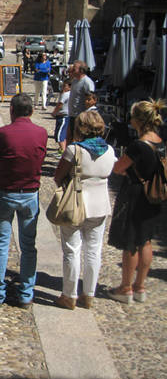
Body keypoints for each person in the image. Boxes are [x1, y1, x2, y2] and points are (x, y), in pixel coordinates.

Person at [0, 93, 48, 308]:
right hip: (30, 192)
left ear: (11, 110)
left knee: (1, 244)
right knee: (28, 246)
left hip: (5, 191)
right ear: (31, 111)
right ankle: (25, 293)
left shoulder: (3, 133)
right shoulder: (41, 133)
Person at [52, 110, 115, 309]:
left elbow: (58, 175)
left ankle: (69, 294)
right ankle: (88, 294)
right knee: (93, 251)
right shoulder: (110, 151)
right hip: (100, 204)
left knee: (72, 250)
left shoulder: (74, 150)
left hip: (76, 203)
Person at [107, 99, 166, 304]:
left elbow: (118, 168)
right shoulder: (159, 141)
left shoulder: (138, 146)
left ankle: (125, 288)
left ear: (138, 120)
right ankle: (140, 286)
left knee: (131, 242)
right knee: (146, 240)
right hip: (153, 196)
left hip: (135, 195)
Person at [67, 60, 94, 143]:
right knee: (71, 138)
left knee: (78, 140)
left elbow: (91, 99)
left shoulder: (87, 82)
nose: (72, 70)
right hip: (72, 115)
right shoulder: (75, 81)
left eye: (74, 69)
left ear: (81, 71)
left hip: (81, 117)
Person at [51, 79, 71, 153]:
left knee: (59, 135)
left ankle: (63, 150)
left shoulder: (65, 95)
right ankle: (63, 148)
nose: (63, 87)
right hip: (67, 115)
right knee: (63, 133)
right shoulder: (70, 94)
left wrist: (54, 112)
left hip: (62, 115)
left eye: (64, 86)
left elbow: (60, 104)